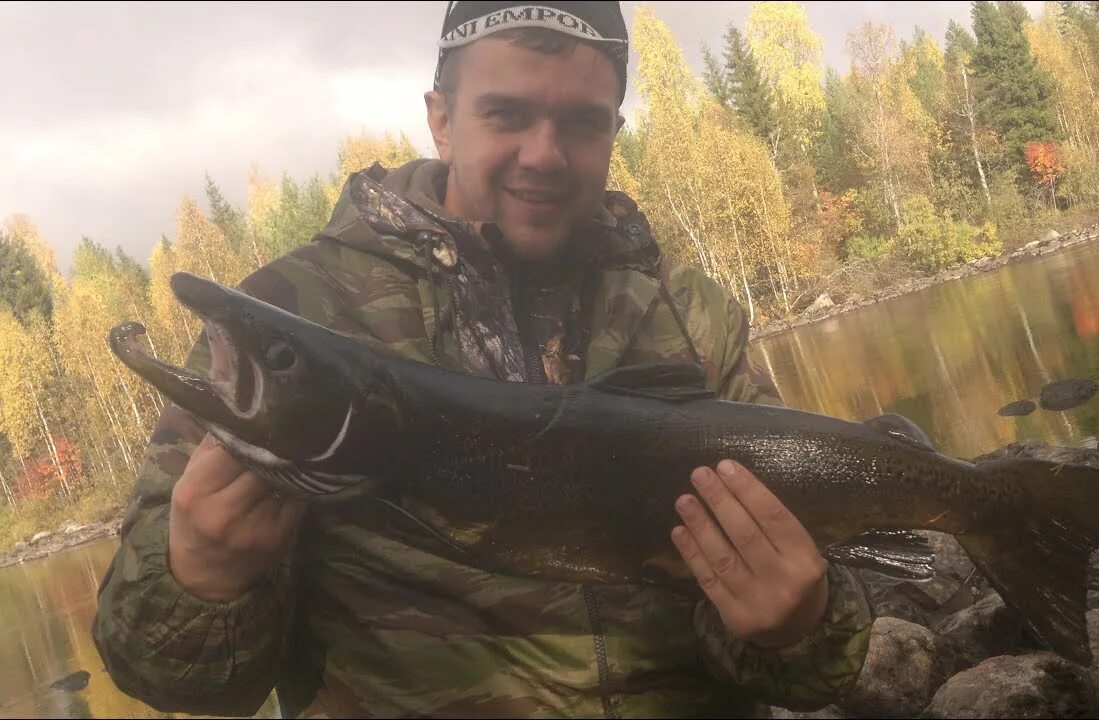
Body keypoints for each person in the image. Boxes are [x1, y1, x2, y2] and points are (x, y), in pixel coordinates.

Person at [92, 2, 876, 717]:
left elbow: (807, 676)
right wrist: (201, 576)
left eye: (581, 122)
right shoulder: (297, 320)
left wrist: (799, 626)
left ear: (613, 133)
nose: (545, 154)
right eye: (506, 114)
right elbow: (171, 681)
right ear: (441, 120)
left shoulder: (694, 315)